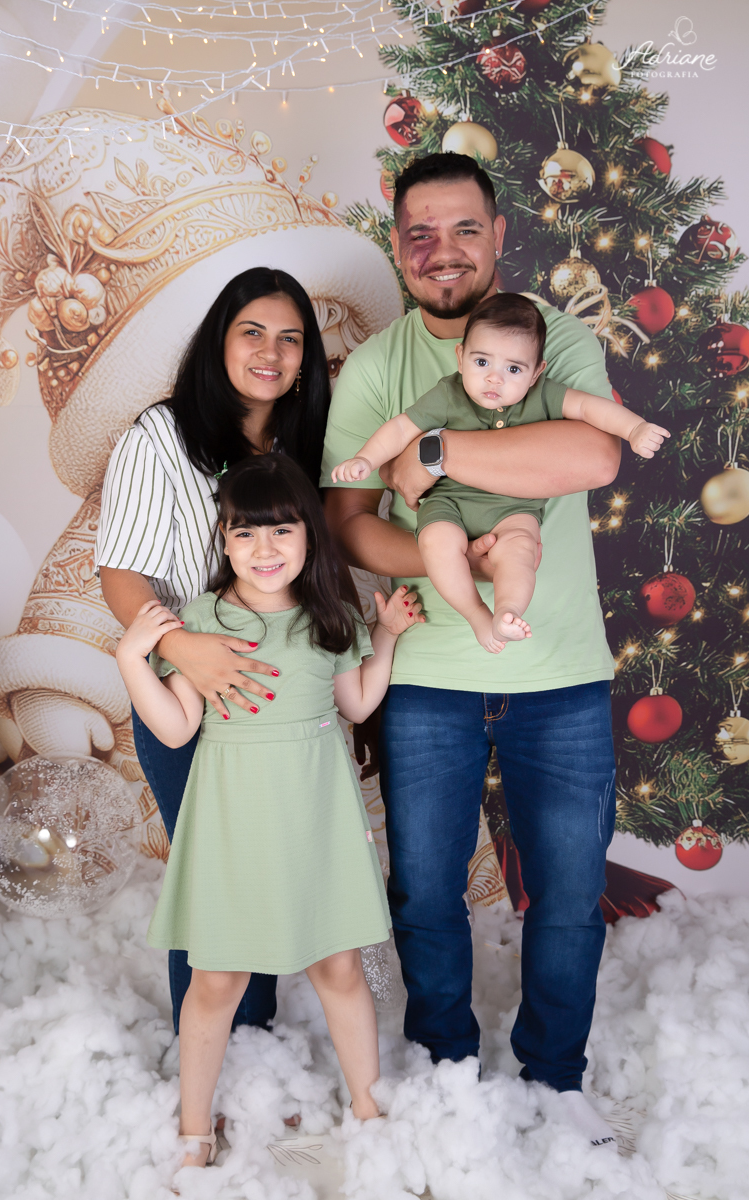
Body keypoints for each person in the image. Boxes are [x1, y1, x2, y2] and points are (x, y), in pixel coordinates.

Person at [322, 152, 621, 1147]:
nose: (440, 251)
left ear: (497, 235)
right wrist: (446, 554)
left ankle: (555, 1076)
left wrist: (438, 452)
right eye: (419, 233)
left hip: (560, 671)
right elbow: (349, 518)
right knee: (423, 888)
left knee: (567, 892)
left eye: (462, 229)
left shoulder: (554, 337)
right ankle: (444, 1062)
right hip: (427, 675)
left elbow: (588, 454)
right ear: (396, 245)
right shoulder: (378, 366)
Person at [115, 454, 423, 1172]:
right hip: (234, 817)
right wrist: (133, 660)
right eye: (245, 533)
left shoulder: (329, 616)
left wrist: (386, 636)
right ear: (223, 542)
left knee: (338, 967)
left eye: (281, 530)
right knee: (217, 979)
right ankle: (194, 1130)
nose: (264, 549)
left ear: (309, 534)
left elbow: (356, 704)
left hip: (315, 813)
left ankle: (368, 1108)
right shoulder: (203, 620)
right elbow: (175, 729)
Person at [96, 267, 333, 1038]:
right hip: (188, 691)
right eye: (251, 333)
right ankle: (210, 1058)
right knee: (213, 882)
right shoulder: (161, 436)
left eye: (290, 339)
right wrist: (184, 648)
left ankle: (256, 1046)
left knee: (267, 869)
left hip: (278, 696)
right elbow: (122, 570)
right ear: (217, 342)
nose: (271, 352)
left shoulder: (305, 444)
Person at [331, 293, 669, 653]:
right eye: (481, 362)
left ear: (536, 372)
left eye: (514, 369)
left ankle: (507, 612)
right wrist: (365, 459)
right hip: (450, 503)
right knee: (436, 543)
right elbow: (401, 428)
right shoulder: (448, 394)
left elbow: (589, 408)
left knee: (520, 552)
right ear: (461, 357)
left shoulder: (542, 395)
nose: (494, 379)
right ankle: (477, 614)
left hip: (515, 508)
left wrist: (634, 429)